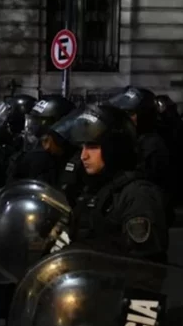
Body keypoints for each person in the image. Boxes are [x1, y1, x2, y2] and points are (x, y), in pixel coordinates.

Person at [64, 103, 168, 262]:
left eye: (93, 147)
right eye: (82, 147)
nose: (83, 156)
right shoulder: (94, 187)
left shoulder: (138, 195)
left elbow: (144, 266)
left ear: (114, 147)